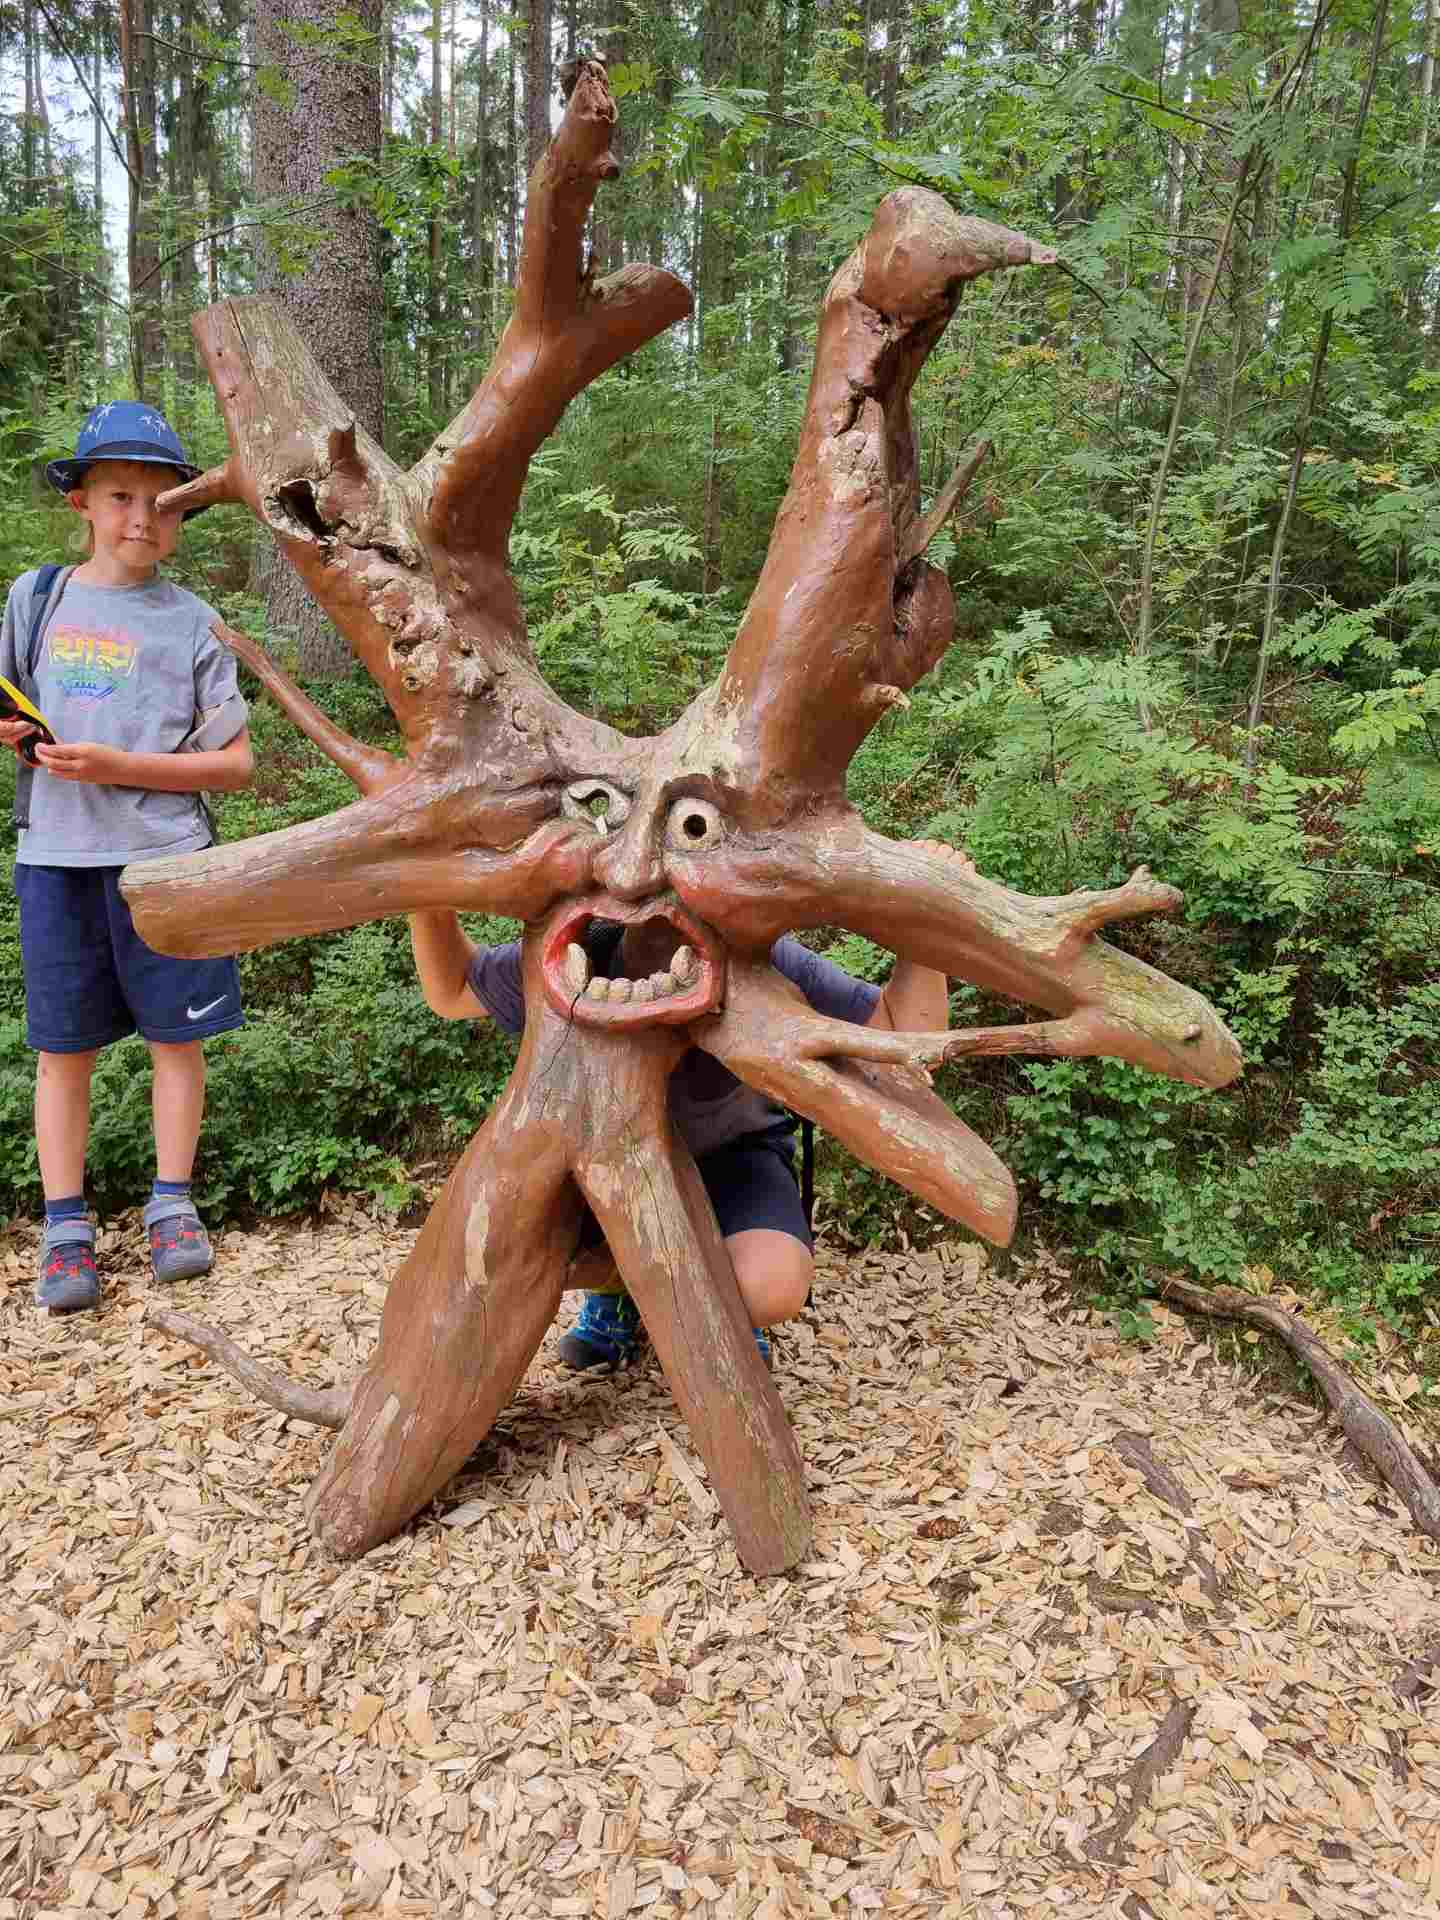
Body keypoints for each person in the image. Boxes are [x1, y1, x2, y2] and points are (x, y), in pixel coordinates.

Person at [406, 848, 957, 1371]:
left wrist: (925, 917)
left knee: (771, 1286)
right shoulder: (578, 950)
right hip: (600, 1162)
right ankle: (623, 1291)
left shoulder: (764, 959)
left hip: (734, 1156)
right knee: (503, 1246)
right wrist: (425, 887)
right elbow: (451, 991)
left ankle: (705, 1301)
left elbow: (904, 1043)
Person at [0, 401, 254, 1316]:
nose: (142, 519)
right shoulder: (35, 600)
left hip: (166, 864)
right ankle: (64, 1228)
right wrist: (20, 737)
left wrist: (119, 766)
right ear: (81, 502)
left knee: (175, 1042)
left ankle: (172, 1207)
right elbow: (11, 707)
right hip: (57, 859)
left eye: (164, 503)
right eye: (120, 497)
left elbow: (235, 763)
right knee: (61, 1050)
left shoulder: (195, 623)